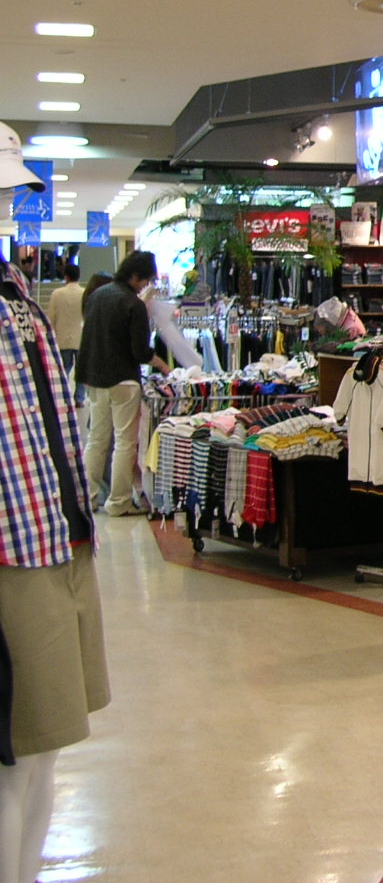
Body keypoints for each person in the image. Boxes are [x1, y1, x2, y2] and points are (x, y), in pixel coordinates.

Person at [0, 127, 110, 883]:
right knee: (15, 754)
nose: (8, 200)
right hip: (14, 551)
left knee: (42, 751)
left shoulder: (16, 291)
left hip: (55, 535)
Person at [77, 250, 170, 515]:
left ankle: (88, 498)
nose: (146, 286)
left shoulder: (96, 296)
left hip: (95, 377)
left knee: (96, 440)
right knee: (125, 443)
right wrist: (162, 365)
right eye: (146, 280)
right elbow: (140, 351)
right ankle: (119, 502)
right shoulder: (133, 304)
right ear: (136, 275)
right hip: (123, 381)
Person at [44, 262, 86, 407]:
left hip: (62, 337)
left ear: (66, 276)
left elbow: (51, 317)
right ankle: (79, 398)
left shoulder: (57, 294)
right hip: (81, 337)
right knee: (81, 371)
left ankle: (63, 397)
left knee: (63, 369)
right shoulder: (84, 293)